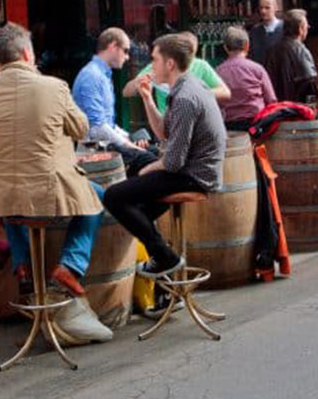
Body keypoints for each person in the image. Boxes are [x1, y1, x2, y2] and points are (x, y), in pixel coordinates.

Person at [0, 22, 111, 342]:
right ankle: (69, 269)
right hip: (47, 186)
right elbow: (80, 128)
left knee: (13, 205)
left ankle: (25, 268)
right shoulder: (54, 86)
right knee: (96, 199)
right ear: (26, 53)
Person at [104, 33, 227, 277]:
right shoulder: (186, 85)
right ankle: (163, 272)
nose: (151, 65)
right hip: (189, 169)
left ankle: (165, 258)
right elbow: (164, 134)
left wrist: (146, 170)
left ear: (170, 64)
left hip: (193, 175)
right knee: (138, 211)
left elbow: (173, 161)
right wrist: (148, 99)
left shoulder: (185, 97)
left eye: (155, 60)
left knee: (114, 197)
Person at [72, 27, 156, 172]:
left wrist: (129, 137)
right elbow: (97, 129)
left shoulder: (101, 74)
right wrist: (130, 145)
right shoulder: (92, 76)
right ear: (113, 46)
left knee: (152, 151)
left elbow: (108, 125)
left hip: (105, 144)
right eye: (126, 50)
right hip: (95, 150)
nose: (128, 57)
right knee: (150, 158)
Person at [123, 32, 230, 139]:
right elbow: (126, 91)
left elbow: (225, 92)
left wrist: (195, 94)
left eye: (190, 52)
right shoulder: (158, 66)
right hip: (165, 122)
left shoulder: (200, 67)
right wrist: (139, 84)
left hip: (190, 126)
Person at [215, 26, 276, 131]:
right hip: (257, 126)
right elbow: (271, 100)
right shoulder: (257, 69)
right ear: (247, 46)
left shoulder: (218, 72)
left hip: (229, 128)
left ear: (225, 48)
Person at [264, 8, 318, 103]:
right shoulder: (301, 50)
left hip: (277, 109)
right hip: (297, 108)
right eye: (306, 26)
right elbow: (310, 81)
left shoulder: (272, 51)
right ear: (300, 28)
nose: (308, 28)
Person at [248, 0, 284, 66]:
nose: (263, 11)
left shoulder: (285, 29)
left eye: (267, 8)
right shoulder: (254, 31)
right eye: (261, 8)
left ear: (276, 8)